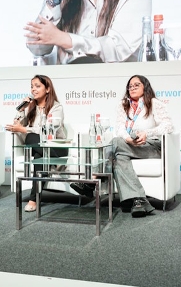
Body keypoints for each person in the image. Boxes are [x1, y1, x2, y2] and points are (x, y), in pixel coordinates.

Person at [71, 75, 174, 218]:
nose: (132, 88)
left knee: (115, 143)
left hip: (152, 145)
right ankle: (139, 201)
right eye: (130, 86)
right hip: (130, 144)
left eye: (136, 85)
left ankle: (92, 179)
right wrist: (127, 139)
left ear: (145, 87)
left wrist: (147, 133)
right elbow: (120, 128)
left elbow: (168, 126)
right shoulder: (123, 105)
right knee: (119, 157)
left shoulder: (154, 103)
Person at [5, 74, 67, 212]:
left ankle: (34, 199)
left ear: (48, 89)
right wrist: (21, 110)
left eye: (37, 86)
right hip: (39, 147)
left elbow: (48, 130)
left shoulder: (56, 107)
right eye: (32, 86)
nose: (33, 89)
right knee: (34, 143)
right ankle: (35, 197)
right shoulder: (30, 108)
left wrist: (23, 129)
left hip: (57, 147)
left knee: (35, 146)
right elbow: (17, 124)